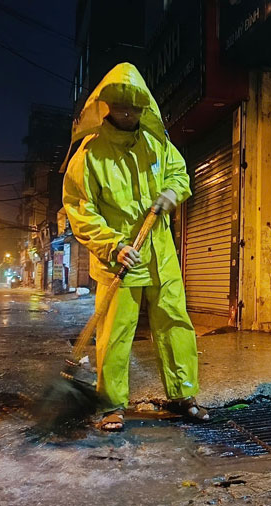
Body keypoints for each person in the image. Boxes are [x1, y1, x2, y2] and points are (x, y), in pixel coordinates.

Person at [62, 62, 208, 431]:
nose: (129, 114)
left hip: (160, 252)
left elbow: (179, 173)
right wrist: (113, 246)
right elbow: (81, 210)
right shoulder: (89, 157)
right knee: (116, 331)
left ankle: (183, 396)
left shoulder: (158, 145)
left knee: (175, 322)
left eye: (136, 108)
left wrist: (173, 192)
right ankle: (111, 405)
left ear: (146, 109)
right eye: (122, 107)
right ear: (106, 107)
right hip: (119, 259)